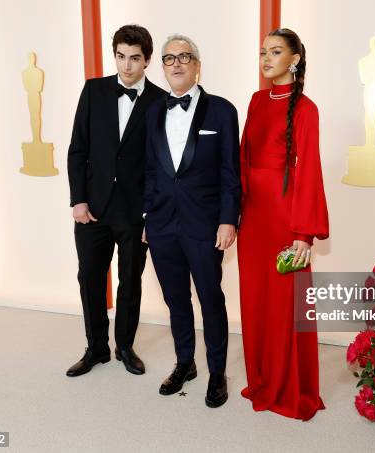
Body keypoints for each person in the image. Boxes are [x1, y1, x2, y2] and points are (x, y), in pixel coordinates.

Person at [142, 34, 240, 408]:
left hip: (205, 224)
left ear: (198, 65)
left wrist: (228, 220)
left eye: (185, 57)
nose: (177, 64)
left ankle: (217, 372)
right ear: (162, 67)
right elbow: (152, 169)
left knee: (210, 298)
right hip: (163, 224)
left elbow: (231, 172)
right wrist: (148, 216)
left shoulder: (222, 111)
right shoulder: (154, 111)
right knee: (175, 299)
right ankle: (186, 362)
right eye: (169, 59)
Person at [237, 28, 329, 420]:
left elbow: (309, 171)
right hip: (253, 217)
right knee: (255, 299)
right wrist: (231, 212)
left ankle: (289, 388)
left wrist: (303, 233)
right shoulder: (257, 101)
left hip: (285, 217)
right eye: (263, 52)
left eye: (275, 52)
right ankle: (261, 377)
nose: (266, 58)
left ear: (293, 59)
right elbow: (242, 158)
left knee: (286, 303)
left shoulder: (307, 109)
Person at [66, 25, 167, 377]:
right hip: (92, 208)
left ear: (147, 61)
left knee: (130, 281)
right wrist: (78, 201)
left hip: (135, 211)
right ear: (115, 55)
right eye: (121, 57)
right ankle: (96, 348)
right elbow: (77, 149)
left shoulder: (160, 101)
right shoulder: (93, 90)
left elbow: (162, 165)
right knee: (89, 277)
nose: (127, 66)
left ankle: (125, 345)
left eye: (135, 59)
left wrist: (151, 214)